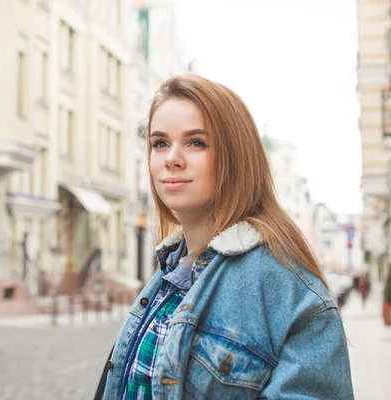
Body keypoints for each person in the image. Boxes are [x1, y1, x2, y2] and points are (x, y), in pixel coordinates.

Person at [97, 74, 353, 399]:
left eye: (196, 142)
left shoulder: (288, 293)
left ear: (236, 158)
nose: (171, 158)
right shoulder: (171, 271)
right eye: (159, 143)